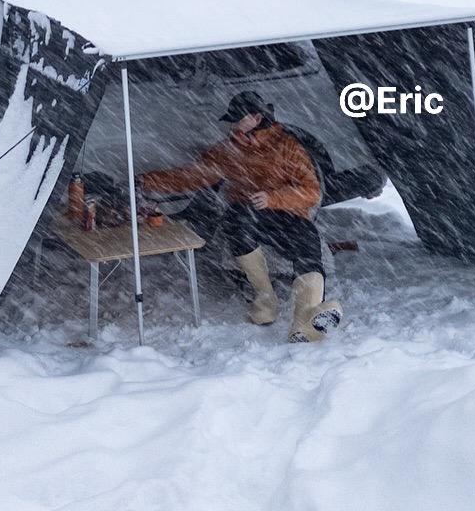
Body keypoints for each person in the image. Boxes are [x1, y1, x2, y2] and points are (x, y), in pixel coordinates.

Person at [136, 91, 340, 341]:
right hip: (248, 216)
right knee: (238, 218)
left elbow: (310, 191)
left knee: (307, 243)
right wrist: (147, 180)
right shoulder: (229, 149)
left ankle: (304, 322)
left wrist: (273, 198)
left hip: (288, 214)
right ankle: (266, 300)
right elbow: (194, 174)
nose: (233, 125)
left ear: (256, 117)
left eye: (238, 119)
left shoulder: (288, 146)